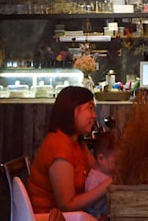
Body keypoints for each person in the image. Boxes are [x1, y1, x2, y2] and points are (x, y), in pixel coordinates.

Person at [27, 86, 106, 218]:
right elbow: (67, 205)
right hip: (50, 217)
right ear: (73, 111)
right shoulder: (59, 148)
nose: (94, 115)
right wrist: (108, 185)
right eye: (90, 108)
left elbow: (96, 170)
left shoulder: (77, 141)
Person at [84, 130, 117, 220]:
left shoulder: (107, 173)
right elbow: (93, 205)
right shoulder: (94, 178)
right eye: (115, 162)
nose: (117, 166)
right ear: (101, 158)